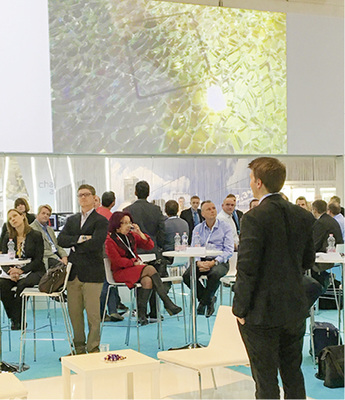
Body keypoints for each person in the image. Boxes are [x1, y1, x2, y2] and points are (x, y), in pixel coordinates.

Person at [232, 156, 316, 399]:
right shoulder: (303, 216)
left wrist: (240, 307)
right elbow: (308, 260)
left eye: (250, 179)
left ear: (259, 182)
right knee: (293, 373)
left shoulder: (254, 218)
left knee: (265, 379)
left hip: (262, 311)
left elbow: (247, 268)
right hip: (294, 306)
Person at [105, 211, 182, 325]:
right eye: (124, 223)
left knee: (148, 280)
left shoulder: (131, 237)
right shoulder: (110, 240)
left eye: (129, 222)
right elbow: (117, 261)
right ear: (117, 225)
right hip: (120, 271)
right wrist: (133, 262)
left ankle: (142, 315)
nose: (128, 225)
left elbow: (149, 245)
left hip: (134, 269)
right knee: (150, 269)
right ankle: (167, 302)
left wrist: (139, 232)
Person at [57, 184, 108, 355]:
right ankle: (78, 349)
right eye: (80, 195)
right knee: (75, 314)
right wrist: (80, 239)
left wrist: (76, 246)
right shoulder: (72, 220)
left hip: (93, 274)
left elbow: (96, 243)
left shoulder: (101, 221)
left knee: (93, 316)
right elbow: (61, 240)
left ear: (95, 198)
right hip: (74, 274)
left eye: (86, 194)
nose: (83, 198)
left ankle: (93, 349)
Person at [183, 200, 234, 318]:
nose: (212, 211)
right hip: (202, 260)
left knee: (215, 273)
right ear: (203, 214)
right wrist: (198, 262)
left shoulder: (225, 227)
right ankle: (208, 299)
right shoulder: (197, 229)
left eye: (213, 208)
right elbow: (194, 248)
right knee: (187, 276)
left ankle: (203, 303)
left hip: (220, 261)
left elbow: (229, 250)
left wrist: (214, 262)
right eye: (208, 209)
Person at [123, 180, 166, 321]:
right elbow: (162, 231)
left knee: (139, 282)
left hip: (135, 252)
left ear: (135, 192)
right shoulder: (156, 210)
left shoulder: (128, 210)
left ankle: (141, 312)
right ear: (148, 193)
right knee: (154, 279)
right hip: (152, 249)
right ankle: (154, 311)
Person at [0, 209, 45, 330]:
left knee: (22, 285)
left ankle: (17, 319)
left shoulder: (36, 235)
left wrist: (22, 271)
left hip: (34, 270)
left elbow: (38, 260)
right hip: (12, 271)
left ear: (23, 216)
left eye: (15, 216)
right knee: (2, 285)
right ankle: (14, 318)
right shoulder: (7, 237)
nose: (13, 219)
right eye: (10, 218)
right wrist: (11, 272)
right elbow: (3, 257)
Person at [97, 191, 127, 322]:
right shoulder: (112, 217)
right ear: (113, 202)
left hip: (95, 251)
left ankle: (112, 310)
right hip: (107, 251)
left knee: (108, 282)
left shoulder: (95, 213)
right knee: (107, 283)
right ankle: (103, 313)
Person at [30, 204, 68, 270]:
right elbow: (40, 250)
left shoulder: (50, 229)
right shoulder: (32, 229)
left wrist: (64, 256)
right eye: (43, 213)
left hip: (54, 254)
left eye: (48, 214)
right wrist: (57, 258)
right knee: (60, 265)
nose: (45, 216)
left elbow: (57, 245)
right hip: (45, 257)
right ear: (37, 215)